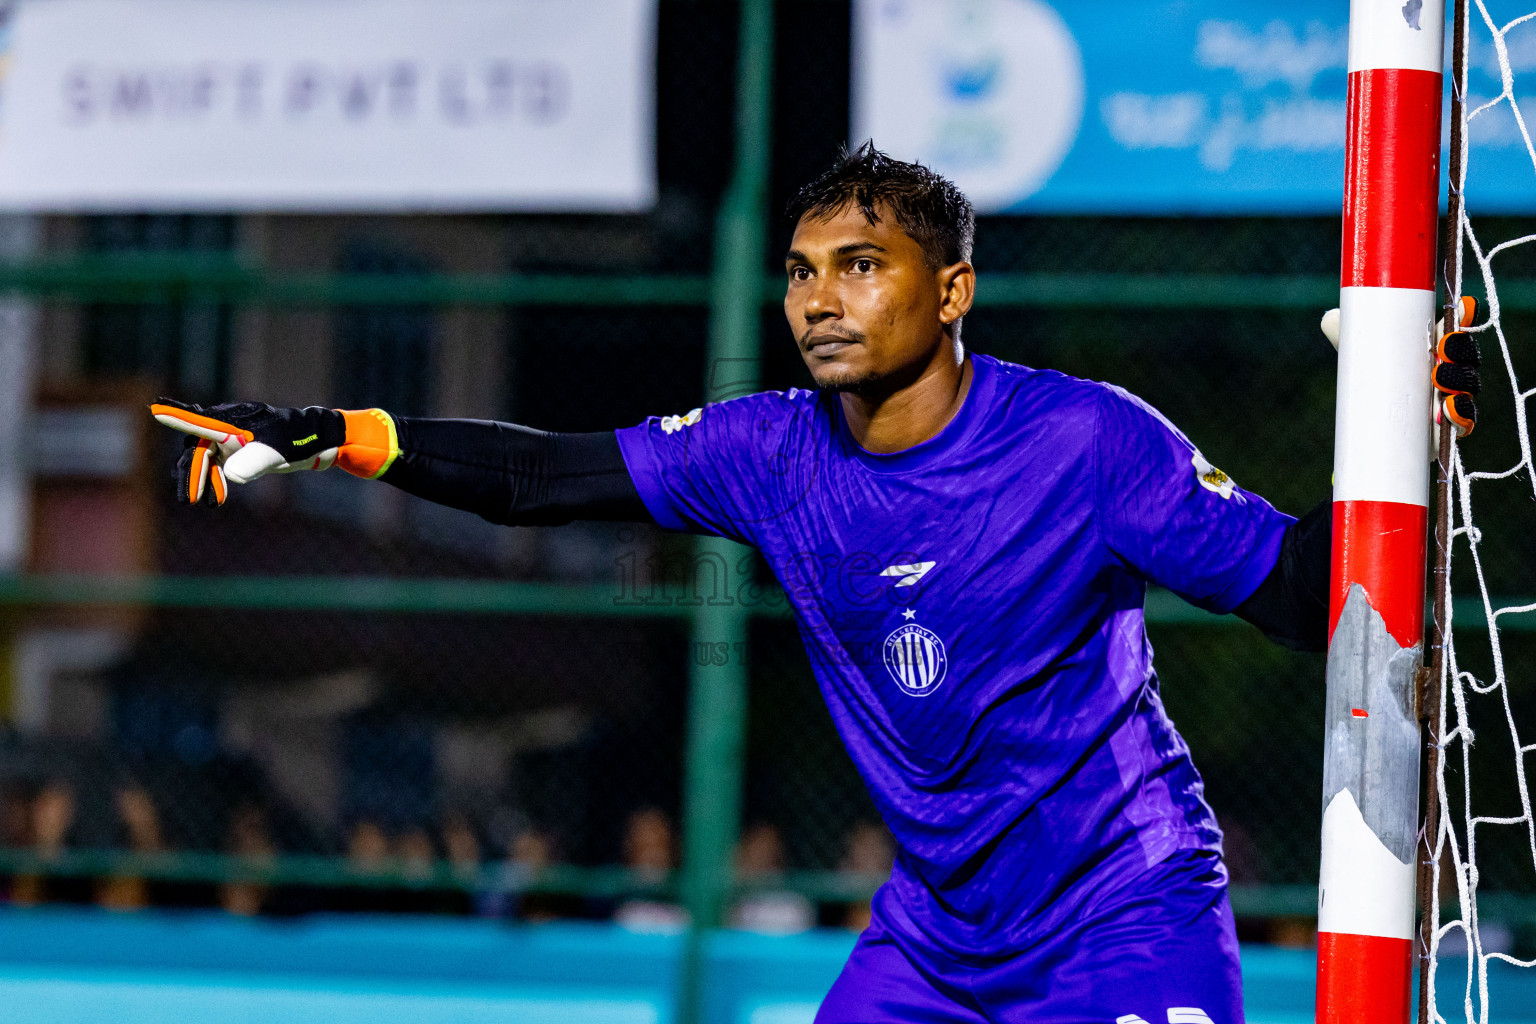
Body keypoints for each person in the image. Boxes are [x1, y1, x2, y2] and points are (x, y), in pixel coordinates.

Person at [149, 144, 1483, 1022]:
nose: (818, 302)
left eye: (862, 266)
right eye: (800, 272)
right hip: (938, 940)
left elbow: (1308, 602)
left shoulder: (1084, 445)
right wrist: (346, 432)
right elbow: (544, 478)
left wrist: (1405, 454)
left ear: (951, 289)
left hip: (1121, 913)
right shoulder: (766, 449)